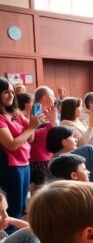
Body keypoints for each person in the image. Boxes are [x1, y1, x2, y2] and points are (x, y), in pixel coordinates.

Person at [0, 77, 44, 222]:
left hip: (24, 162)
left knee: (22, 205)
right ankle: (10, 239)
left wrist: (33, 122)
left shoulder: (16, 113)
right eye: (6, 92)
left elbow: (30, 139)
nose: (11, 95)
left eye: (12, 92)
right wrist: (31, 127)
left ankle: (18, 238)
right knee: (13, 207)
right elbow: (11, 144)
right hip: (11, 166)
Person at [28, 86, 58, 193]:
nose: (55, 99)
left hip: (47, 154)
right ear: (45, 97)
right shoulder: (36, 110)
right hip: (38, 157)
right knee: (39, 191)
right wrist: (52, 124)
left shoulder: (48, 111)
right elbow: (33, 135)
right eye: (53, 96)